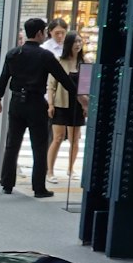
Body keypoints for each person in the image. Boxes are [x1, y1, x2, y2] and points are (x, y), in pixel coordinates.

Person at [0, 17, 80, 197]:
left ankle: (7, 183)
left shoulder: (13, 53)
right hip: (36, 103)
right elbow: (63, 78)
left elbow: (4, 78)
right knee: (39, 146)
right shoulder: (45, 56)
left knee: (12, 144)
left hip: (16, 102)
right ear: (40, 33)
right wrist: (78, 94)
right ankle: (39, 188)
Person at [47, 31, 88, 184]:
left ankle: (71, 169)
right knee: (57, 138)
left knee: (75, 139)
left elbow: (86, 87)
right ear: (69, 44)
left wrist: (86, 105)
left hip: (78, 104)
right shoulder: (59, 61)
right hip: (60, 103)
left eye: (80, 41)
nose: (78, 45)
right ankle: (49, 171)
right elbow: (51, 86)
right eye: (75, 42)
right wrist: (50, 104)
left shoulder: (85, 62)